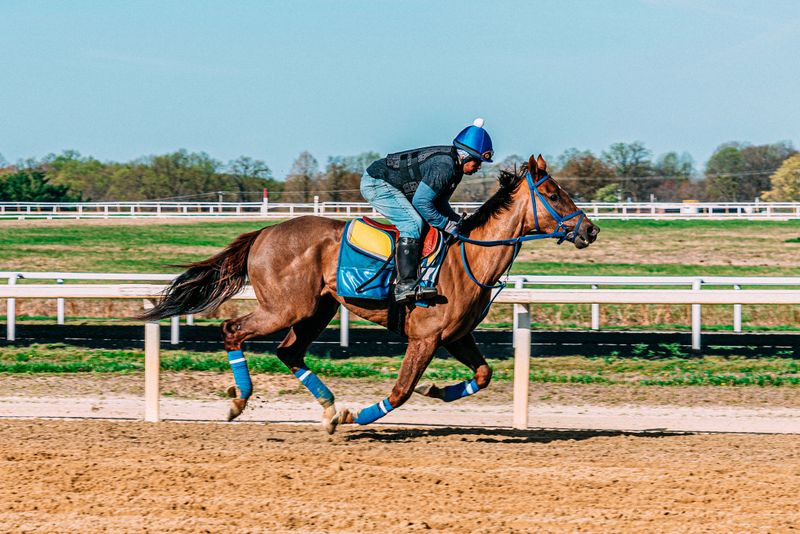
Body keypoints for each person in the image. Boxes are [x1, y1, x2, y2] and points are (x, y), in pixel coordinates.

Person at [361, 118, 494, 303]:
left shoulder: (455, 168)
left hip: (393, 183)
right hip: (377, 182)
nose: (478, 168)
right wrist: (447, 224)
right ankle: (404, 285)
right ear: (465, 156)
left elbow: (438, 203)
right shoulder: (445, 167)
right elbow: (422, 203)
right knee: (412, 223)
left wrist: (456, 221)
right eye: (477, 162)